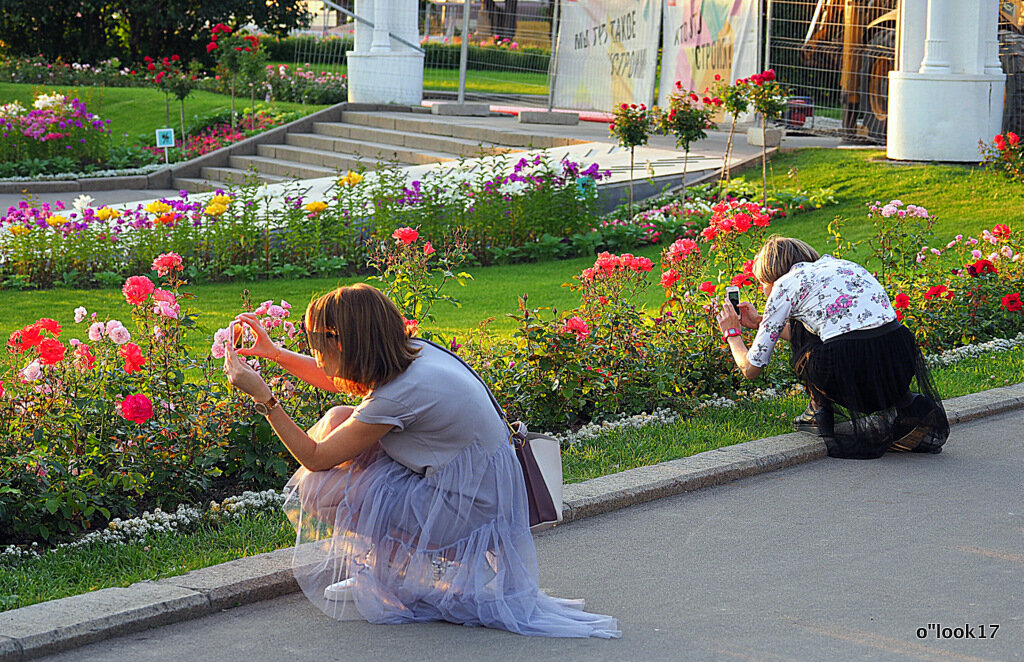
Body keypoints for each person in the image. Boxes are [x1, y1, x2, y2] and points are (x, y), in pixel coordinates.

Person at [222, 283, 620, 638]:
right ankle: (388, 570)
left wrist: (264, 398)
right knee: (342, 417)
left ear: (342, 343)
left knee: (320, 486)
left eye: (316, 347)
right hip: (479, 482)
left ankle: (401, 574)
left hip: (469, 506)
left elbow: (315, 457)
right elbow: (343, 380)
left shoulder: (398, 395)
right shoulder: (411, 354)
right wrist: (275, 354)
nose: (316, 355)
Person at [713, 235, 949, 459]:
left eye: (761, 285)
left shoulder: (783, 286)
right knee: (814, 330)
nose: (764, 292)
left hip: (848, 368)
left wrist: (732, 333)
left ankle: (819, 411)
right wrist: (758, 322)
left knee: (814, 345)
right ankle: (908, 404)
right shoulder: (844, 265)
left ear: (770, 279)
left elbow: (752, 368)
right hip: (898, 357)